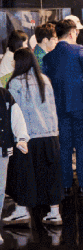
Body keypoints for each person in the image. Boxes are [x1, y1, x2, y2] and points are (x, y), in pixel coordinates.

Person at [42, 19, 83, 195]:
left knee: (64, 146)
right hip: (80, 104)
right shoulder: (78, 49)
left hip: (60, 105)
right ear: (72, 33)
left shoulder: (48, 57)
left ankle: (65, 184)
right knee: (81, 144)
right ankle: (82, 184)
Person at [3, 48, 54, 227]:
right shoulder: (45, 80)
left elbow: (13, 114)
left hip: (26, 136)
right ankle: (54, 213)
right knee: (48, 174)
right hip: (49, 134)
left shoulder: (15, 82)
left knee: (22, 175)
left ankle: (21, 211)